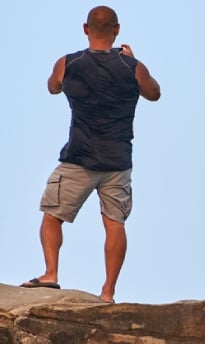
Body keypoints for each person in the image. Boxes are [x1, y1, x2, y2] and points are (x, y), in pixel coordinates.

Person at [21, 5, 161, 303]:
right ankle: (108, 293)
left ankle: (50, 275)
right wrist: (132, 60)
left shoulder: (68, 63)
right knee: (114, 223)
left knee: (52, 215)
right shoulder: (132, 67)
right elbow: (154, 93)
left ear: (85, 29)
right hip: (118, 161)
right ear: (117, 30)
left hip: (78, 158)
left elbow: (52, 87)